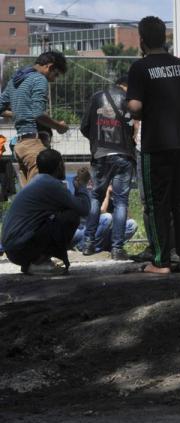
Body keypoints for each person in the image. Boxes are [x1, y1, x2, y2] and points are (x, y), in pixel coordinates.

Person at [126, 15, 180, 275]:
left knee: (157, 203)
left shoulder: (140, 68)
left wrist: (135, 109)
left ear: (142, 40)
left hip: (155, 146)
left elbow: (135, 107)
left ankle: (160, 262)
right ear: (165, 37)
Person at [79, 73, 137, 260]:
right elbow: (132, 128)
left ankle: (88, 244)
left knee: (95, 197)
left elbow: (84, 127)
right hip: (123, 154)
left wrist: (97, 142)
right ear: (125, 86)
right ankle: (117, 249)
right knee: (121, 202)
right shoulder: (128, 100)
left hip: (101, 155)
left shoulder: (97, 97)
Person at [0, 149, 87, 275]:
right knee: (71, 215)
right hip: (20, 248)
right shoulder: (51, 185)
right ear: (59, 166)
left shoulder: (38, 182)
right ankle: (39, 261)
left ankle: (34, 262)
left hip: (14, 249)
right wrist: (82, 186)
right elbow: (83, 209)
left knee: (59, 217)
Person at [1, 51, 69, 186]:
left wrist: (20, 113)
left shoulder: (16, 80)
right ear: (49, 67)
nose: (53, 79)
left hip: (20, 146)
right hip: (33, 145)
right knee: (39, 195)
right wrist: (59, 126)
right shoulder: (39, 79)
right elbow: (38, 114)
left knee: (27, 197)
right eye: (55, 74)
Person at [67, 170, 138, 254]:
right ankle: (84, 246)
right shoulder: (90, 193)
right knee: (106, 218)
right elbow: (101, 211)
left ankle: (110, 247)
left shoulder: (111, 196)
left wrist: (119, 199)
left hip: (100, 233)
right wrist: (107, 194)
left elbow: (128, 217)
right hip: (82, 231)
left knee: (132, 224)